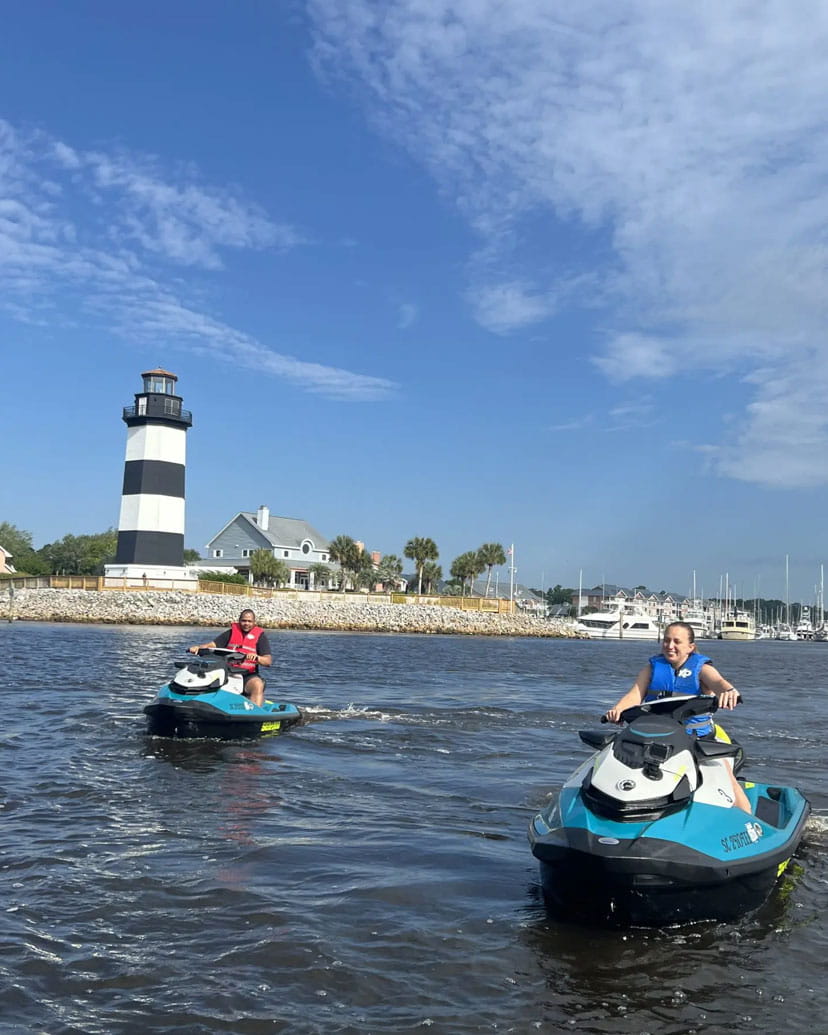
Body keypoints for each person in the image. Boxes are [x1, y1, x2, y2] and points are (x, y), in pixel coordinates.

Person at [604, 621, 751, 813]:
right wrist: (618, 709)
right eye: (666, 640)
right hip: (659, 738)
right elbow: (634, 695)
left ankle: (748, 819)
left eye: (676, 641)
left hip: (698, 739)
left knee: (727, 780)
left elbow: (719, 683)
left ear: (690, 647)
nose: (670, 646)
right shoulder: (652, 668)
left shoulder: (702, 669)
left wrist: (729, 691)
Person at [188, 608, 272, 707]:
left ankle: (255, 711)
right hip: (228, 672)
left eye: (249, 621)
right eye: (244, 620)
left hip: (248, 675)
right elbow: (212, 645)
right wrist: (198, 648)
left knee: (257, 684)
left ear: (254, 622)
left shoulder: (260, 637)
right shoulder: (230, 633)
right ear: (239, 620)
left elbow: (268, 661)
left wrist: (257, 658)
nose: (246, 623)